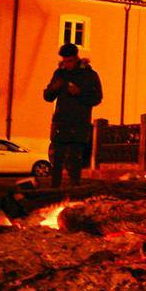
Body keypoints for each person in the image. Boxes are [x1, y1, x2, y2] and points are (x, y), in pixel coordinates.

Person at [43, 43, 102, 188]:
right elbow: (48, 97)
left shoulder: (89, 75)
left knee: (75, 159)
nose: (67, 64)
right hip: (61, 122)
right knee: (57, 159)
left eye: (69, 61)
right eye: (64, 61)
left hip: (79, 123)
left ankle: (74, 187)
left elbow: (97, 98)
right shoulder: (60, 73)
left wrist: (80, 93)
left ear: (76, 58)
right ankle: (55, 188)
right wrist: (53, 88)